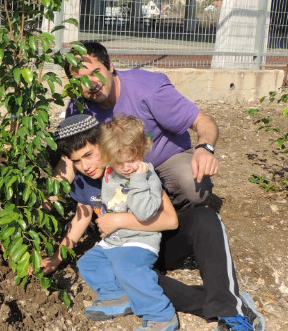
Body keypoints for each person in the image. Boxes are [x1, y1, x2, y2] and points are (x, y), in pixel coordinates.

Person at [44, 114, 266, 331]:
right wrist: (56, 258)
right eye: (77, 161)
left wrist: (119, 220)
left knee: (204, 218)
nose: (86, 165)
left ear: (106, 146)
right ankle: (229, 303)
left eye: (89, 154)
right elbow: (81, 217)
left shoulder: (130, 167)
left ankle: (229, 312)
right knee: (132, 279)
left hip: (153, 240)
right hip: (126, 254)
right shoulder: (86, 182)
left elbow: (170, 220)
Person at [63, 40, 219, 211]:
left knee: (193, 184)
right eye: (80, 79)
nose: (91, 84)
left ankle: (172, 218)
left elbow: (203, 121)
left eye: (95, 73)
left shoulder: (149, 89)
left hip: (164, 162)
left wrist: (204, 148)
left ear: (110, 66)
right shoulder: (78, 106)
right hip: (118, 167)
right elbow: (73, 153)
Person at [77, 115, 179, 331]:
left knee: (127, 267)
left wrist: (139, 181)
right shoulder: (111, 171)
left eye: (132, 160)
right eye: (119, 162)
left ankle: (161, 314)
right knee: (87, 262)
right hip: (115, 239)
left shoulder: (147, 176)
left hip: (140, 239)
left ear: (142, 151)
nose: (127, 168)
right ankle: (117, 295)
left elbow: (144, 213)